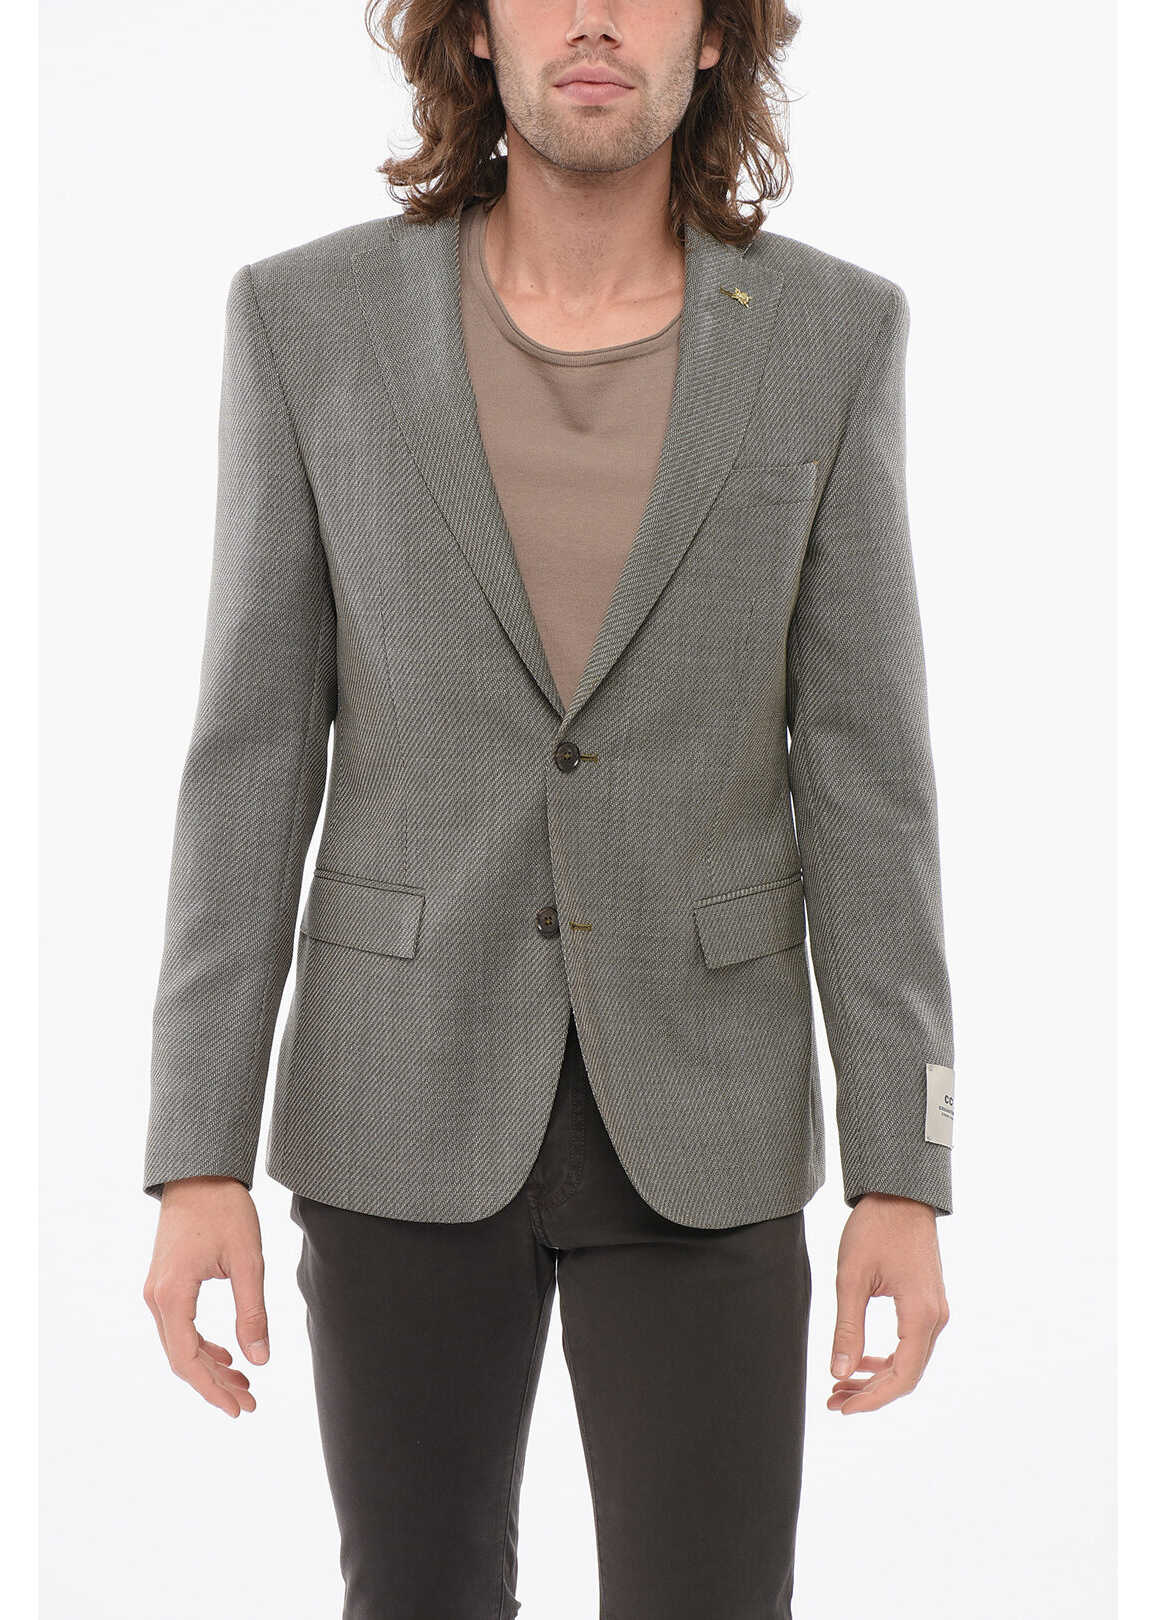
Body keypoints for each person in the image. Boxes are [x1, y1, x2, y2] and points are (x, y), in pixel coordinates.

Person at [141, 3, 955, 1615]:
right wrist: (195, 1155)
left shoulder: (831, 331)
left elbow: (870, 777)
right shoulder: (306, 318)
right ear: (473, 29)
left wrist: (902, 1168)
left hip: (710, 1115)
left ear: (712, 38)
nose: (593, 16)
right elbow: (248, 753)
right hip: (393, 1097)